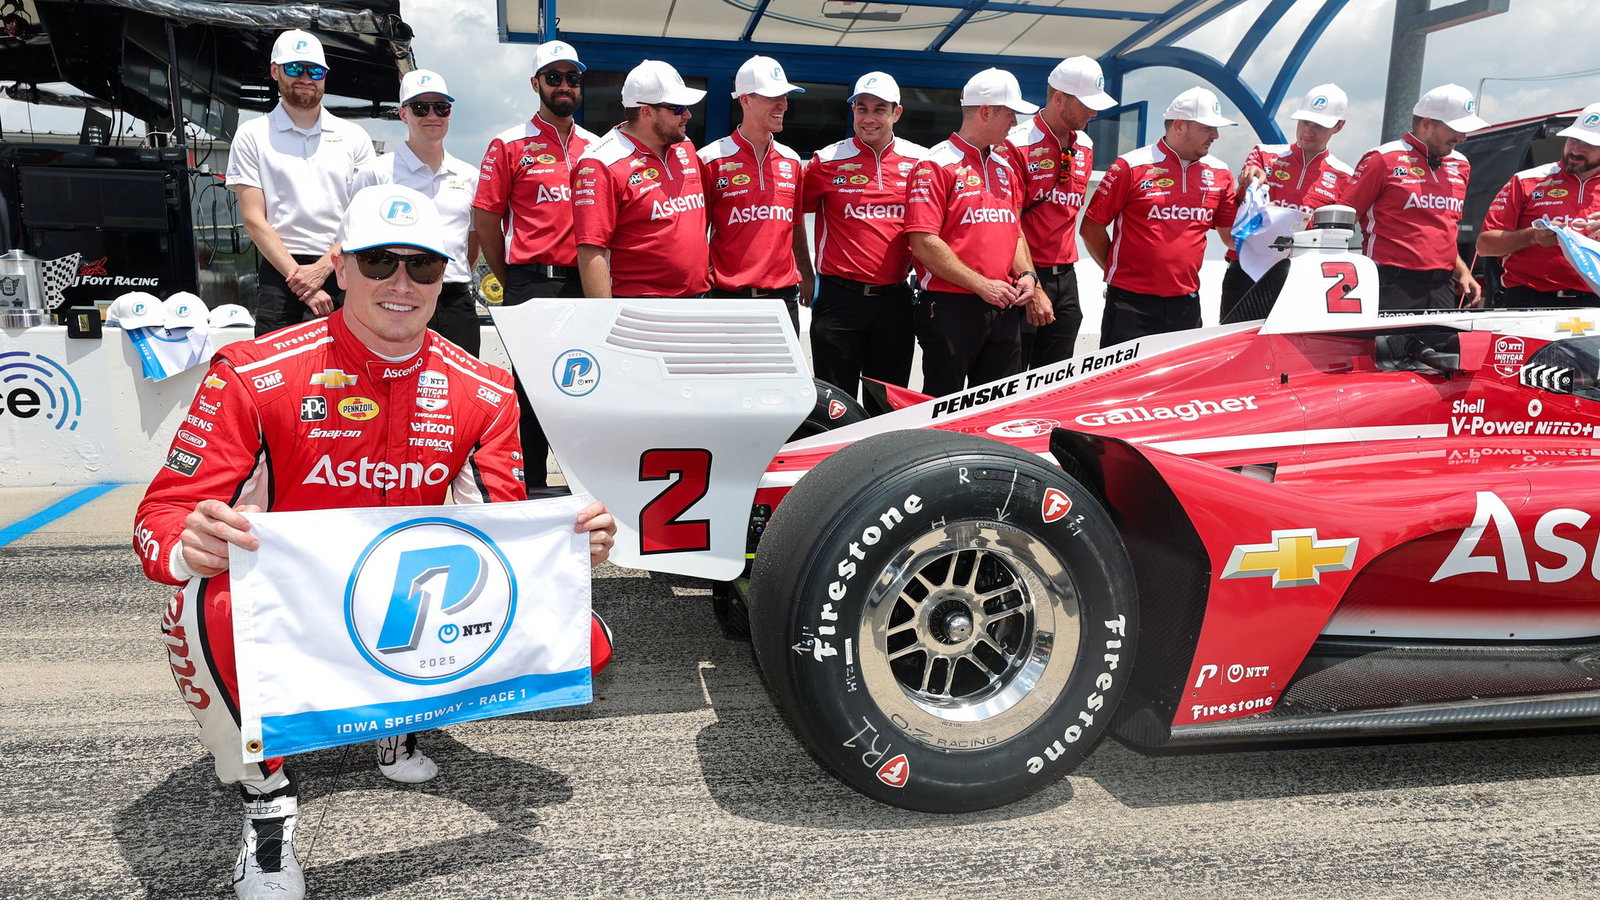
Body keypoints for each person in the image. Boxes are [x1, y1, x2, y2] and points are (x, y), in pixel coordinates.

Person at [134, 185, 617, 900]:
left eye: (421, 266)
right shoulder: (251, 372)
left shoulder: (484, 390)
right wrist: (189, 541)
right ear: (343, 269)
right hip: (295, 604)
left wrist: (567, 547)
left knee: (590, 639)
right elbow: (160, 517)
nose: (400, 282)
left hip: (407, 599)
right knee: (199, 595)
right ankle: (266, 804)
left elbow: (500, 531)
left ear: (443, 278)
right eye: (378, 261)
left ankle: (401, 715)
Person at [472, 40, 599, 488]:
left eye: (573, 78)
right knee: (529, 388)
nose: (564, 86)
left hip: (585, 284)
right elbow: (486, 219)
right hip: (531, 281)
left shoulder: (597, 147)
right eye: (554, 77)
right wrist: (511, 279)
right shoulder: (509, 143)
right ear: (536, 83)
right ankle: (528, 484)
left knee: (586, 382)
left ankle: (584, 480)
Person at [227, 29, 375, 337]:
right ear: (275, 71)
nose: (306, 77)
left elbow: (364, 214)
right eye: (295, 68)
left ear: (325, 76)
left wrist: (324, 267)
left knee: (349, 374)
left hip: (344, 266)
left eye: (315, 70)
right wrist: (301, 281)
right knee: (275, 375)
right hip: (281, 269)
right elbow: (254, 219)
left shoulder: (354, 137)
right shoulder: (252, 134)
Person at [905, 68, 1038, 397]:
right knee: (943, 405)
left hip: (1003, 305)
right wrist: (982, 285)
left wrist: (1026, 274)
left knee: (998, 408)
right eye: (1010, 114)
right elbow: (923, 242)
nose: (1014, 124)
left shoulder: (1006, 166)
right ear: (986, 111)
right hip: (951, 308)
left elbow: (1013, 230)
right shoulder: (935, 164)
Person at [1082, 86, 1239, 347]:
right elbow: (1090, 228)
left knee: (1177, 387)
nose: (1216, 135)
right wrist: (1117, 271)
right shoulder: (1130, 165)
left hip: (1186, 303)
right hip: (1130, 303)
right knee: (1122, 386)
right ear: (1179, 125)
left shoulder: (1221, 172)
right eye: (1207, 128)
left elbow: (1231, 237)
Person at [802, 71, 927, 397]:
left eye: (879, 109)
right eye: (862, 108)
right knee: (834, 404)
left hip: (896, 300)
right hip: (838, 300)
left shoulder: (921, 161)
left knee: (885, 403)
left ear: (896, 113)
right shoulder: (825, 161)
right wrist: (803, 272)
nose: (869, 118)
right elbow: (787, 218)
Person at [352, 69, 480, 353]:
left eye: (441, 108)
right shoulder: (376, 173)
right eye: (421, 108)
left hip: (454, 297)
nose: (432, 116)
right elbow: (353, 242)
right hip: (398, 296)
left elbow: (472, 242)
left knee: (463, 389)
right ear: (403, 114)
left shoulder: (470, 176)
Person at [1003, 56, 1116, 367]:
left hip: (1067, 278)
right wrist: (1032, 285)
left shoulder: (1087, 145)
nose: (1094, 111)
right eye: (1087, 103)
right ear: (1059, 98)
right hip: (1022, 278)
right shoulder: (1015, 145)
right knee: (1010, 381)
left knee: (1054, 379)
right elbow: (1007, 224)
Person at [1342, 83, 1487, 310]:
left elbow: (1442, 230)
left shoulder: (1461, 164)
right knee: (1388, 347)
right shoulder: (1382, 159)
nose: (1463, 137)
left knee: (1441, 345)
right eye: (1455, 129)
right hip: (1391, 284)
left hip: (1442, 287)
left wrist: (1463, 271)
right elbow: (1341, 220)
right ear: (1426, 124)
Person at [573, 60, 711, 299]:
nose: (688, 114)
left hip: (697, 300)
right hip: (640, 307)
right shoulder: (600, 162)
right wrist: (604, 322)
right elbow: (590, 252)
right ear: (647, 111)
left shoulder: (685, 146)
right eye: (677, 108)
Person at [699, 55, 813, 333]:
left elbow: (794, 225)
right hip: (728, 301)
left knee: (783, 379)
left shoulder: (791, 160)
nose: (783, 105)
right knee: (726, 378)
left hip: (783, 300)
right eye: (773, 96)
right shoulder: (711, 159)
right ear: (745, 100)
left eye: (785, 97)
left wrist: (807, 274)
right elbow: (696, 233)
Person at [1221, 83, 1354, 320]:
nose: (1308, 132)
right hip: (1245, 271)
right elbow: (1238, 203)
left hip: (1298, 277)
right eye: (1304, 122)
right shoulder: (1263, 154)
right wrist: (1246, 182)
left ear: (1339, 126)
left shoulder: (1345, 175)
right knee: (1232, 348)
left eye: (1319, 126)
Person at [1476, 101, 1600, 308]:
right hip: (1529, 301)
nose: (1576, 150)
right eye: (1573, 139)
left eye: (1589, 144)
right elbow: (1485, 245)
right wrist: (1532, 236)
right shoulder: (1526, 180)